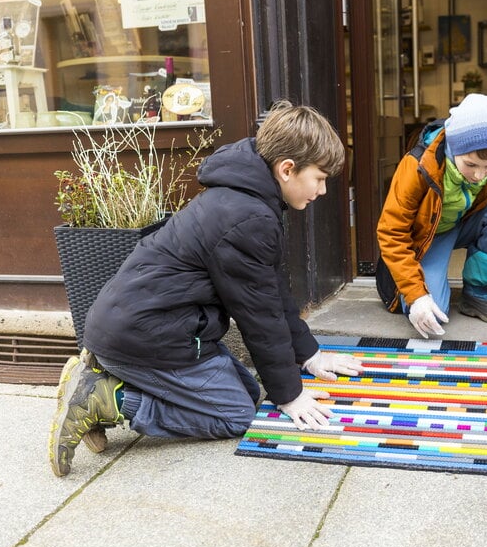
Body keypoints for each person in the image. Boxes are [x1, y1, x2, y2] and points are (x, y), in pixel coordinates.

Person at [48, 100, 361, 477]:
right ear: (287, 169)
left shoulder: (246, 195)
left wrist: (309, 355)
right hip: (145, 336)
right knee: (236, 413)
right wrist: (291, 395)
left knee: (248, 391)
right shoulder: (248, 216)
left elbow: (271, 291)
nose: (323, 190)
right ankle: (107, 399)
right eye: (321, 178)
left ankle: (104, 377)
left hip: (142, 325)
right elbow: (259, 316)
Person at [375, 93, 487, 337]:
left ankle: (478, 291)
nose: (480, 175)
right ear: (453, 146)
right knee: (434, 313)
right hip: (429, 236)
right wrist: (416, 295)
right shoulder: (418, 164)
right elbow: (391, 231)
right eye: (470, 165)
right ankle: (405, 284)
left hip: (467, 222)